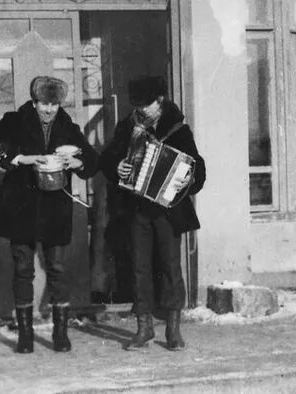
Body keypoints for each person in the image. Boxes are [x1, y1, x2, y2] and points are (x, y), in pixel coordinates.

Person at [0, 76, 98, 353]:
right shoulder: (13, 121)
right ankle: (25, 335)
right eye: (44, 104)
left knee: (57, 269)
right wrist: (22, 159)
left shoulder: (68, 127)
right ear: (34, 102)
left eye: (54, 105)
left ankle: (60, 333)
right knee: (23, 269)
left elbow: (92, 160)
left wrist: (77, 161)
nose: (48, 110)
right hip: (20, 207)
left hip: (55, 208)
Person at [99, 76, 205, 351]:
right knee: (139, 268)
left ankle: (172, 329)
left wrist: (188, 179)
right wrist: (117, 166)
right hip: (136, 209)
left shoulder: (178, 129)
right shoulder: (127, 126)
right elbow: (108, 158)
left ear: (160, 101)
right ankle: (143, 328)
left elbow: (198, 166)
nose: (141, 110)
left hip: (168, 210)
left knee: (171, 267)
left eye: (146, 105)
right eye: (137, 105)